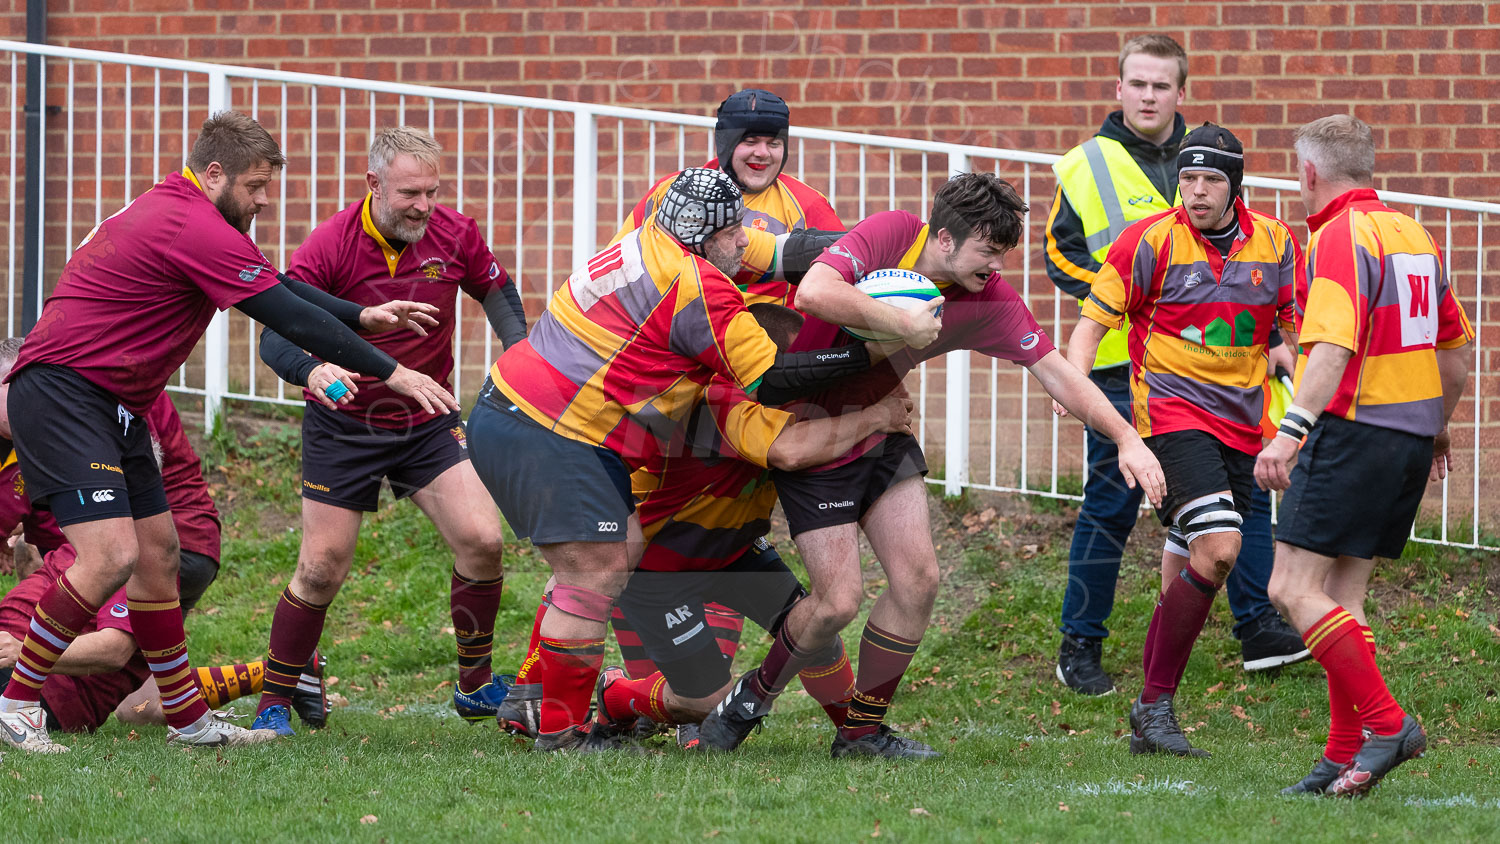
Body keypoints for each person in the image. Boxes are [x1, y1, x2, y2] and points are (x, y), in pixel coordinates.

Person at [0, 110, 458, 753]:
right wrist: (393, 371)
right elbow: (278, 312)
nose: (263, 201)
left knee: (158, 559)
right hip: (66, 393)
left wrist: (361, 315)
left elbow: (277, 287)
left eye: (268, 186)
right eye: (254, 187)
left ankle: (188, 720)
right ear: (213, 173)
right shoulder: (190, 224)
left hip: (118, 400)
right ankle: (16, 702)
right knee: (111, 557)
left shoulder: (189, 210)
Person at [697, 172, 1166, 759]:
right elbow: (815, 292)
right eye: (986, 251)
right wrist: (902, 323)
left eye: (1002, 254)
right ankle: (752, 697)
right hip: (815, 435)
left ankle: (862, 731)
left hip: (885, 431)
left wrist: (1127, 437)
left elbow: (1056, 371)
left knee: (918, 580)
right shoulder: (892, 233)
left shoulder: (989, 298)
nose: (994, 267)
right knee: (837, 602)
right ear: (943, 238)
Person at [469, 167, 889, 752]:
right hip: (553, 426)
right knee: (592, 577)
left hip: (524, 409)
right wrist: (874, 355)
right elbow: (769, 379)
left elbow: (787, 251)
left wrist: (876, 252)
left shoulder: (651, 234)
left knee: (613, 557)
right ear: (706, 237)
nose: (746, 238)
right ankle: (563, 734)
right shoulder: (698, 288)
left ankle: (533, 695)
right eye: (735, 230)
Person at [501, 304, 905, 743]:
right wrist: (877, 417)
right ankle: (618, 695)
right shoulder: (720, 397)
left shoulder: (788, 404)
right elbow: (789, 450)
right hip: (662, 569)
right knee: (708, 703)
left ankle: (858, 736)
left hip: (737, 552)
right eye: (800, 369)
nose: (811, 379)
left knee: (815, 632)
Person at [1046, 34, 1304, 696]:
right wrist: (1132, 298)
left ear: (1180, 93)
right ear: (1119, 88)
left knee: (1231, 502)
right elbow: (1060, 254)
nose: (1149, 95)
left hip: (1219, 374)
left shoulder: (1207, 159)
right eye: (1138, 83)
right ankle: (1081, 643)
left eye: (1162, 85)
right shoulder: (1087, 163)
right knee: (1112, 503)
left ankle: (1255, 629)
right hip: (1114, 366)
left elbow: (1259, 288)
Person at [252, 127, 526, 737]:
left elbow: (497, 292)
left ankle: (475, 686)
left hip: (426, 419)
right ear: (373, 184)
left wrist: (521, 351)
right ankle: (275, 698)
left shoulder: (456, 232)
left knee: (483, 541)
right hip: (344, 426)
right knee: (321, 568)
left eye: (433, 191)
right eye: (410, 194)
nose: (425, 207)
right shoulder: (330, 244)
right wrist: (313, 367)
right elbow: (275, 331)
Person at [1260, 115, 1472, 796]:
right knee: (1343, 597)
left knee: (1290, 588)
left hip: (1355, 431)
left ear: (1310, 173)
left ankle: (1389, 726)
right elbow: (1458, 352)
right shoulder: (1414, 232)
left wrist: (1289, 433)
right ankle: (1340, 757)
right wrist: (1438, 427)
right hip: (1409, 439)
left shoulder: (1336, 235)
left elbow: (1332, 348)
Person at [617, 88, 844, 307]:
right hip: (679, 328)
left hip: (768, 335)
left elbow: (844, 272)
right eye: (750, 141)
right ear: (726, 144)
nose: (763, 153)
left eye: (774, 143)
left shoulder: (807, 203)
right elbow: (619, 259)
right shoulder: (673, 190)